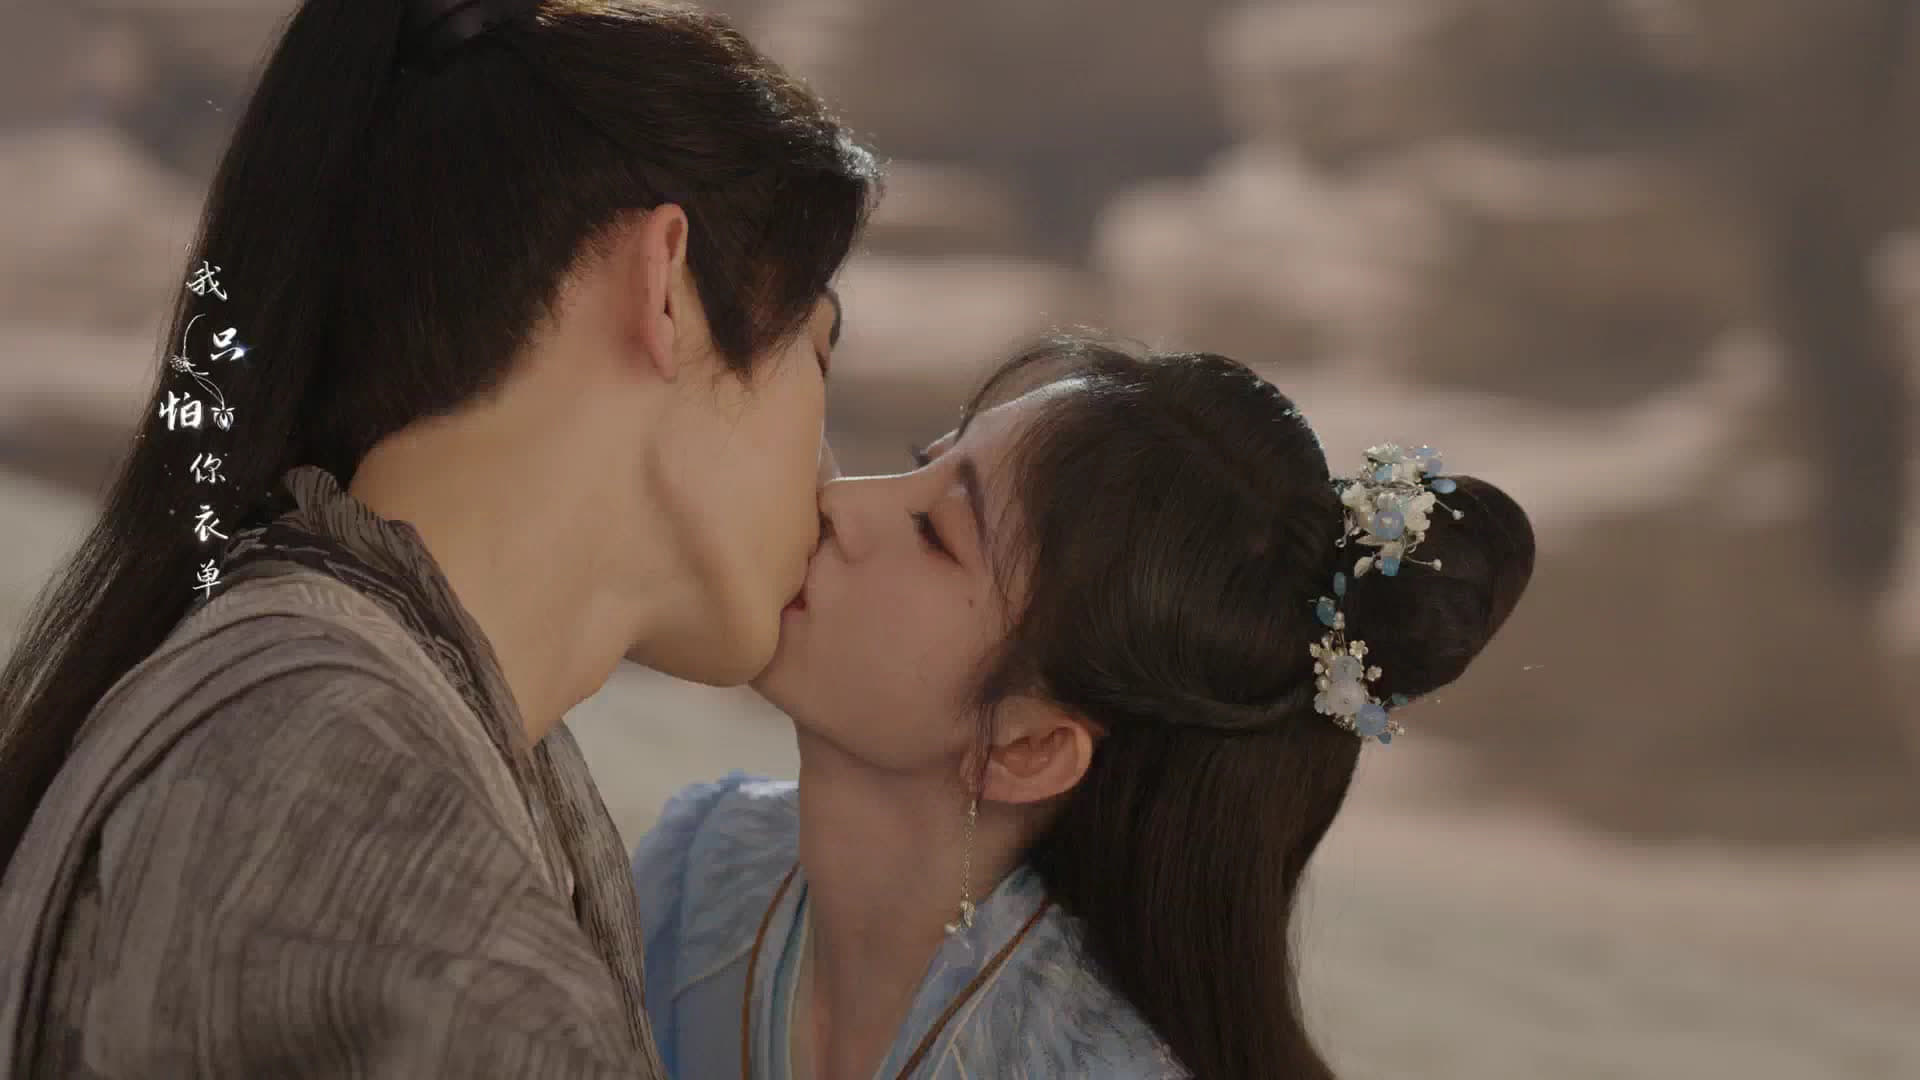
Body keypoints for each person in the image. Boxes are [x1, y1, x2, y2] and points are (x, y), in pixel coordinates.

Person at [0, 0, 878, 1075]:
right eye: (817, 355)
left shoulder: (318, 712)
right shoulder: (361, 809)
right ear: (666, 289)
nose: (831, 487)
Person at [632, 335, 1536, 1079]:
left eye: (935, 534)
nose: (841, 503)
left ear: (1026, 747)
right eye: (920, 466)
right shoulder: (702, 865)